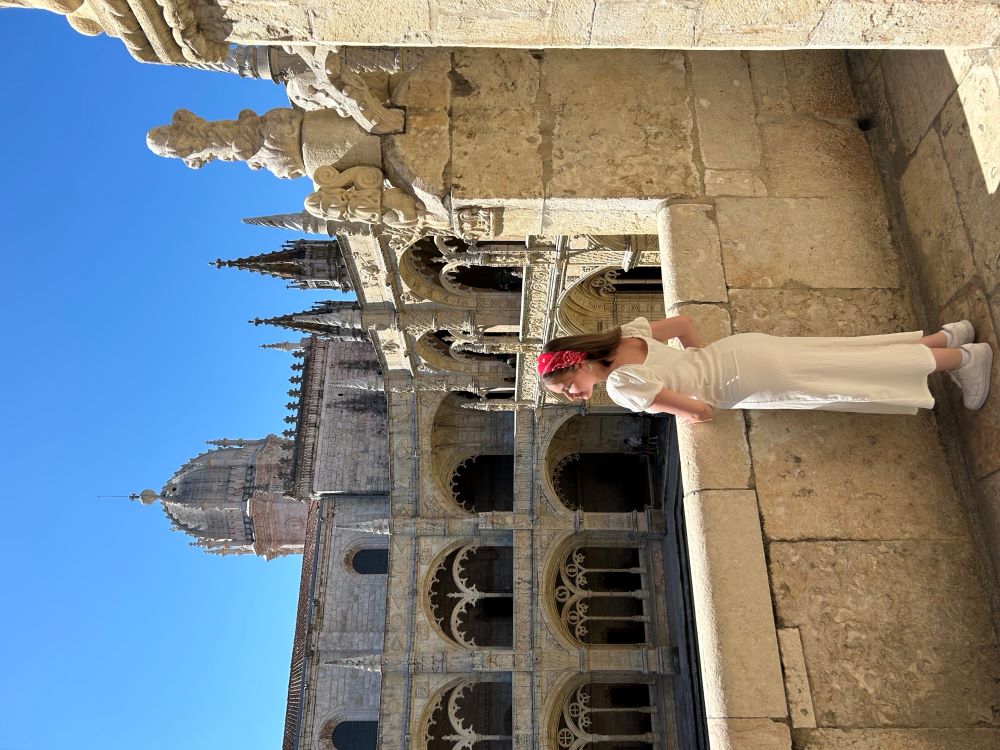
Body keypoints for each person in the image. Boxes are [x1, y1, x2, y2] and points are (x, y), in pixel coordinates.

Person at [539, 316, 993, 423]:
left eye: (569, 387)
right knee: (841, 355)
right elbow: (684, 325)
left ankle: (964, 358)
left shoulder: (621, 386)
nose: (576, 395)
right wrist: (702, 357)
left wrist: (695, 395)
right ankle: (945, 338)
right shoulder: (624, 336)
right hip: (740, 351)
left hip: (742, 380)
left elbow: (701, 413)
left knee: (846, 371)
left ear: (576, 364)